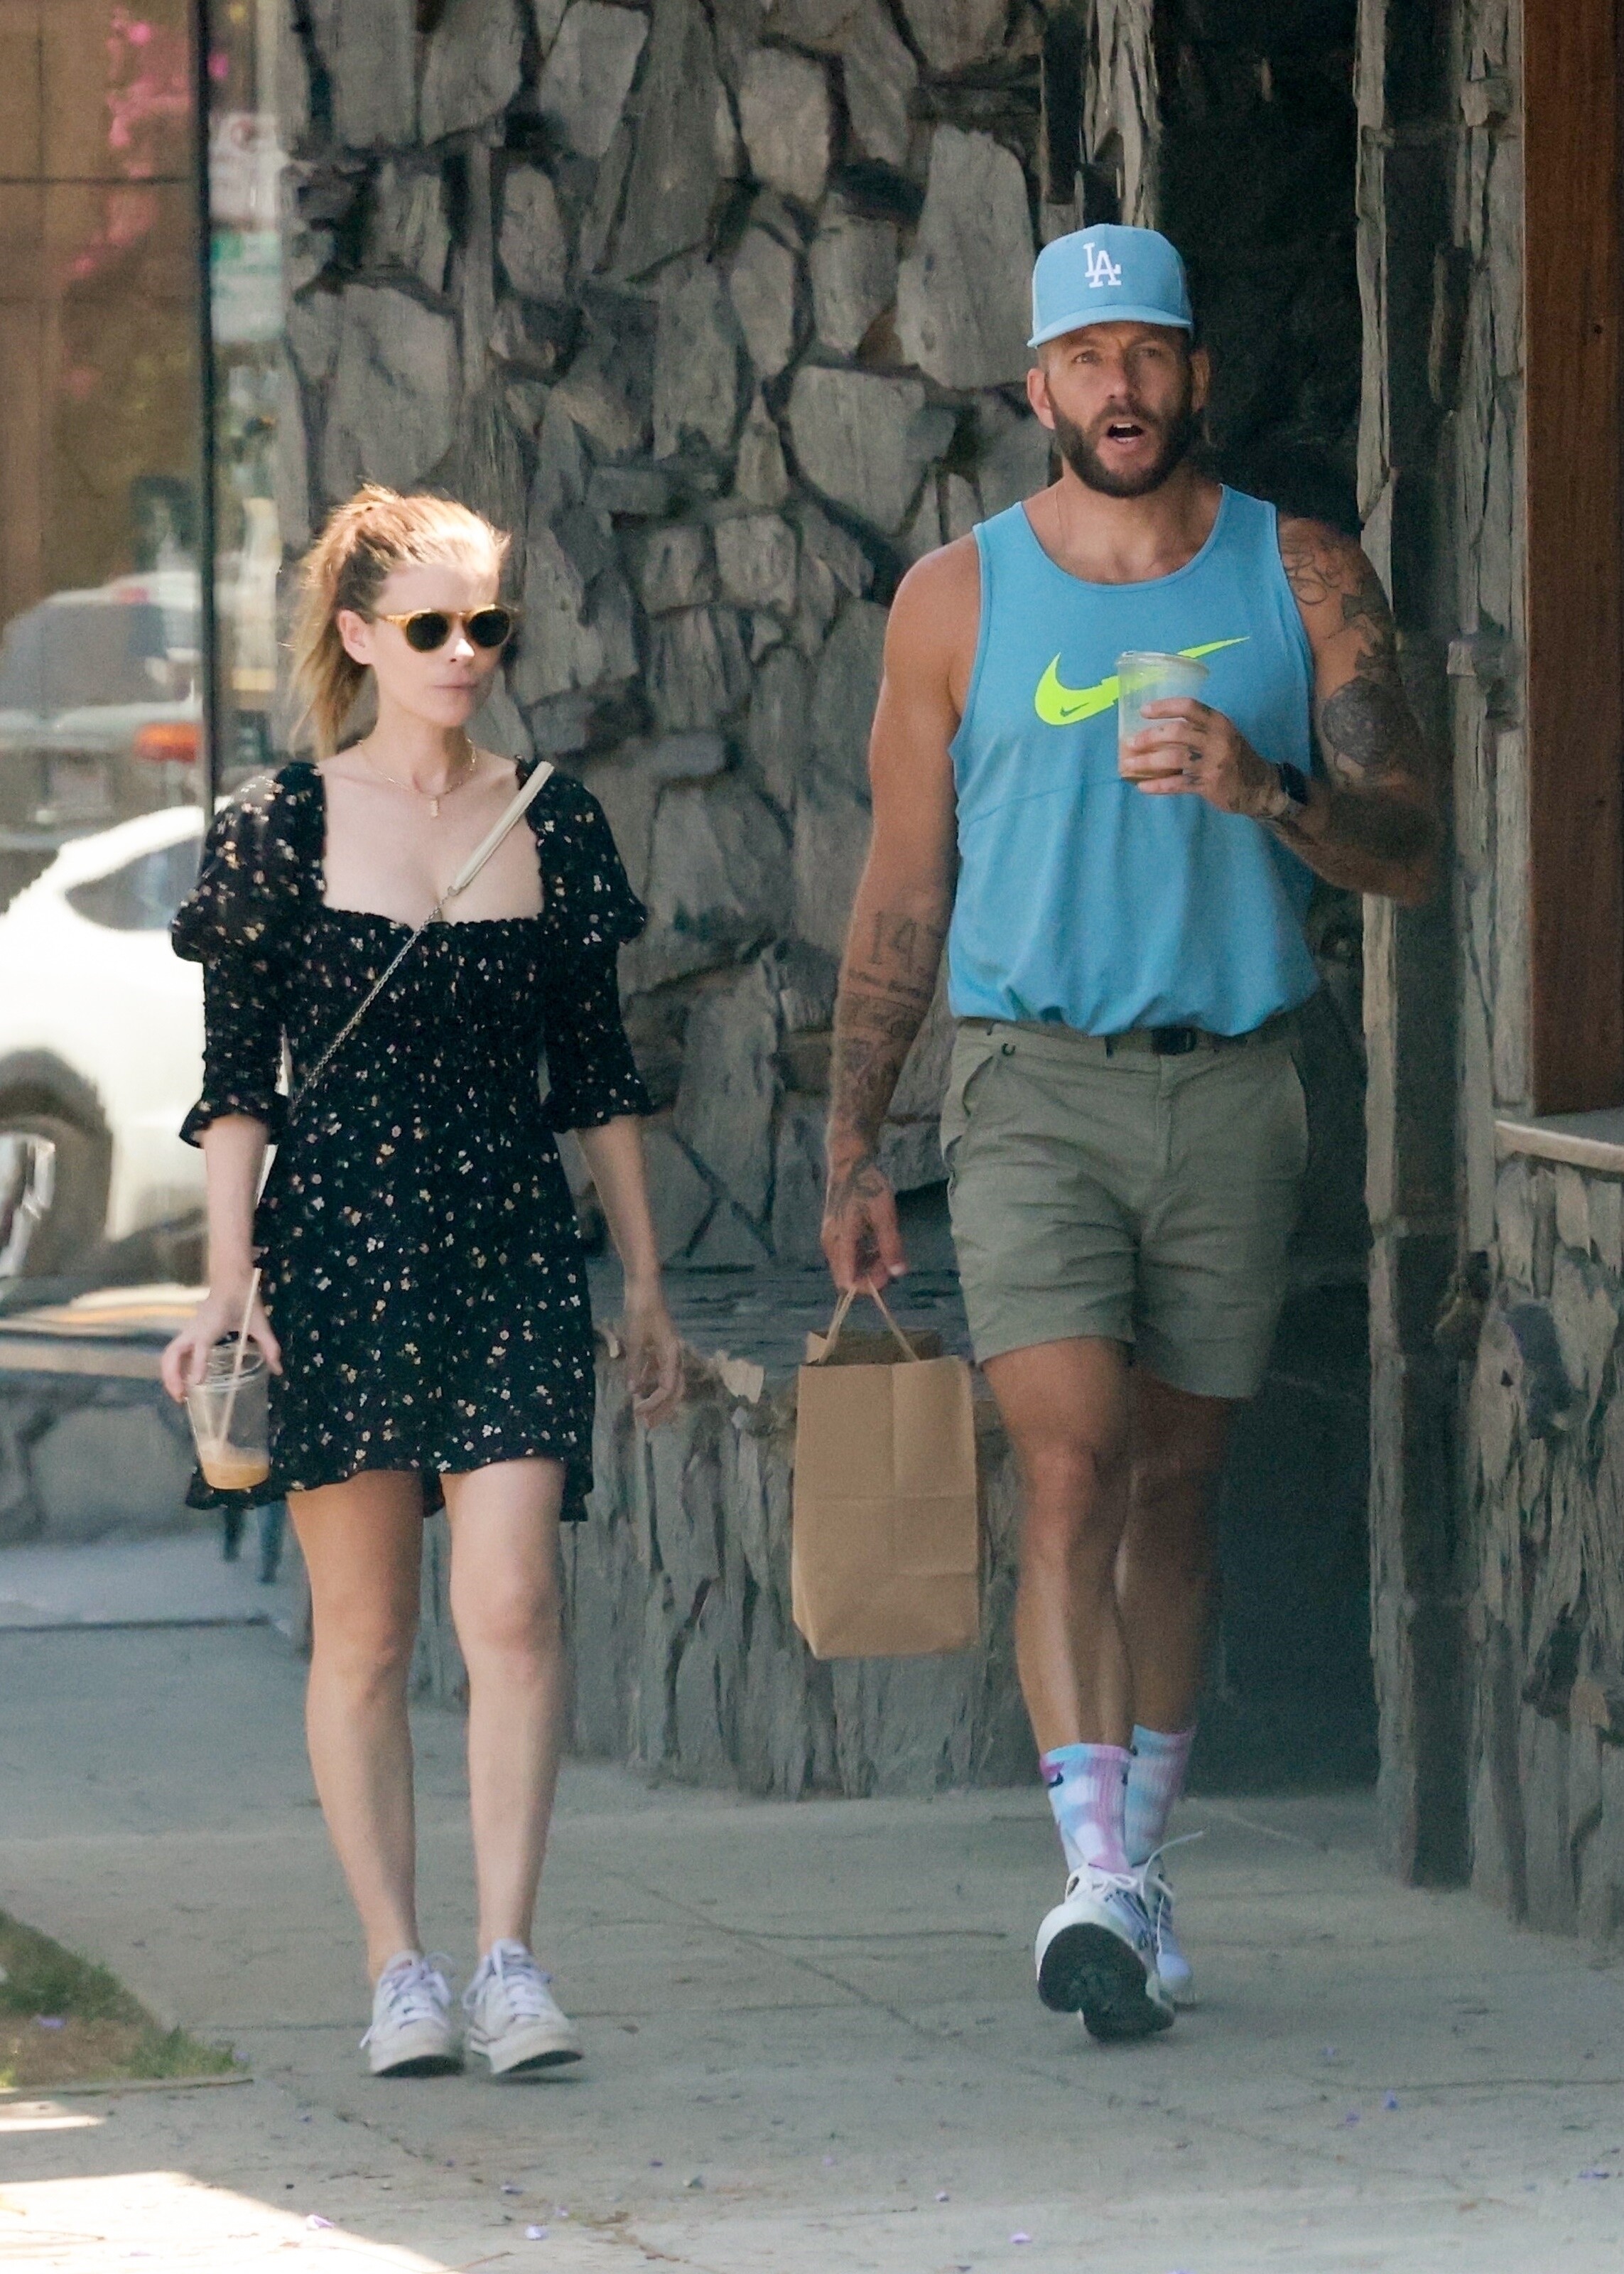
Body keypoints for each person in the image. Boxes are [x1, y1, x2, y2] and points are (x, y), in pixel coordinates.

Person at [821, 226, 1437, 2043]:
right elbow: (904, 884)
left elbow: (1413, 847)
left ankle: (1139, 1873)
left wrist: (1269, 788)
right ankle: (1091, 1878)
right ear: (1036, 390)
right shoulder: (955, 599)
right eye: (1086, 359)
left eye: (1149, 352)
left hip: (1233, 1079)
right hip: (1031, 1087)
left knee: (1176, 1486)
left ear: (1195, 374)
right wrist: (855, 1140)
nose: (1120, 388)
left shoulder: (1302, 573)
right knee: (1072, 1464)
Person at [161, 486, 682, 2079]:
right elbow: (235, 1084)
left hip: (508, 1248)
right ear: (362, 635)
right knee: (369, 1633)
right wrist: (227, 1281)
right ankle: (399, 1966)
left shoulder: (553, 820)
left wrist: (644, 1283)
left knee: (514, 1602)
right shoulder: (277, 827)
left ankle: (510, 1958)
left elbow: (594, 1074)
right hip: (335, 1256)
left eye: (488, 625)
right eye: (433, 626)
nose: (465, 653)